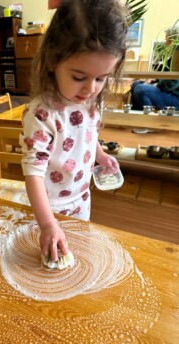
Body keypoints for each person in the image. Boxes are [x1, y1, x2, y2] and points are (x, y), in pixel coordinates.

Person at [19, 0, 129, 261]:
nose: (90, 88)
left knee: (77, 256)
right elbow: (33, 171)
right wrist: (47, 224)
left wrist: (100, 156)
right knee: (50, 261)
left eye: (101, 78)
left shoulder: (89, 101)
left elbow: (87, 135)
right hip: (50, 207)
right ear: (51, 61)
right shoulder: (41, 113)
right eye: (79, 77)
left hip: (82, 198)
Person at [131, 27, 179, 111]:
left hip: (175, 97)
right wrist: (154, 79)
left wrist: (154, 84)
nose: (165, 43)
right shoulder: (172, 57)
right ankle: (137, 116)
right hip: (169, 91)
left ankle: (147, 119)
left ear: (172, 41)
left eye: (166, 39)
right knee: (136, 84)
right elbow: (166, 78)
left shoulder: (177, 58)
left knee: (141, 89)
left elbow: (171, 84)